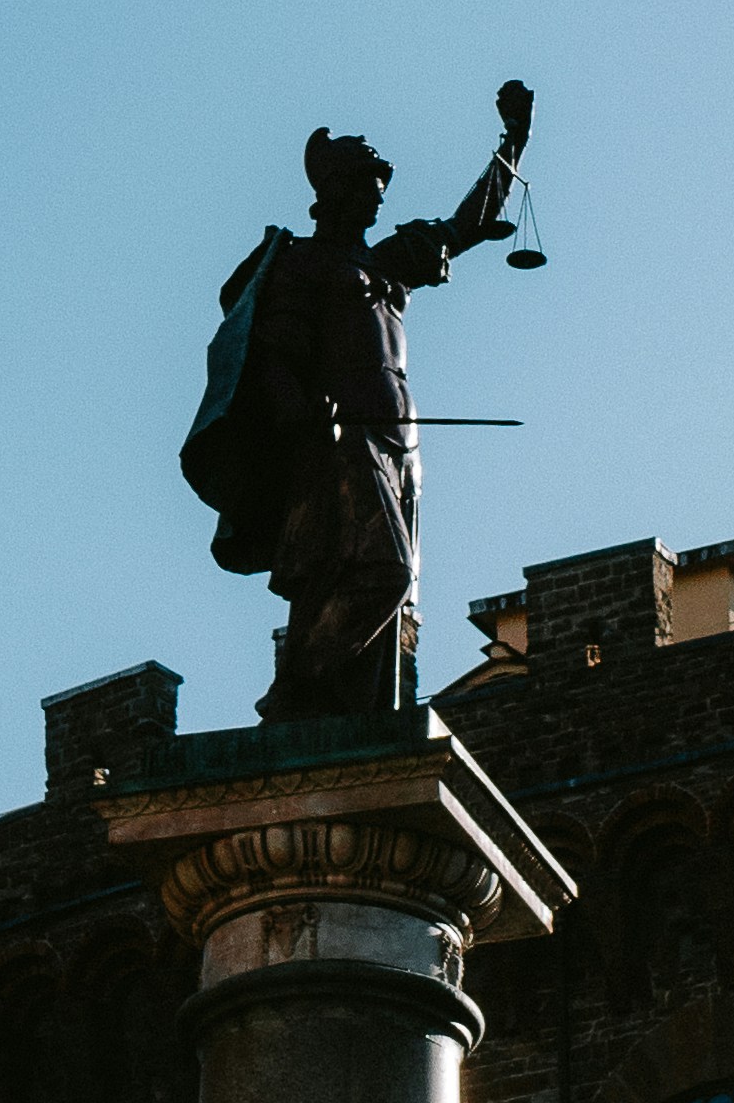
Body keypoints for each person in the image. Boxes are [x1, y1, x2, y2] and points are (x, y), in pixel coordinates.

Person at [182, 81, 534, 719]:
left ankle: (353, 719)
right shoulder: (301, 265)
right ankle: (296, 690)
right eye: (369, 188)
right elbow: (276, 356)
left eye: (380, 191)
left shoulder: (385, 264)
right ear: (335, 191)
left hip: (400, 445)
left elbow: (465, 226)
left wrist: (512, 146)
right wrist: (303, 417)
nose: (378, 200)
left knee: (383, 598)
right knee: (377, 572)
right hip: (342, 440)